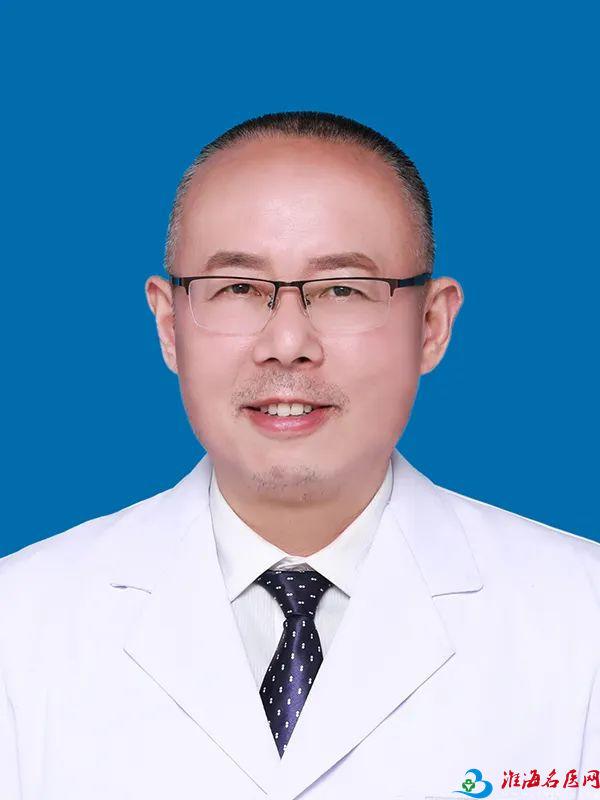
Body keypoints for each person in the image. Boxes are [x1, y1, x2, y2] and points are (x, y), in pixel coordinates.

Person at [1, 111, 598, 800]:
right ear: (168, 325)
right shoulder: (19, 624)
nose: (287, 344)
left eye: (342, 289)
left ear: (432, 325)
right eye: (239, 288)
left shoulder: (582, 621)